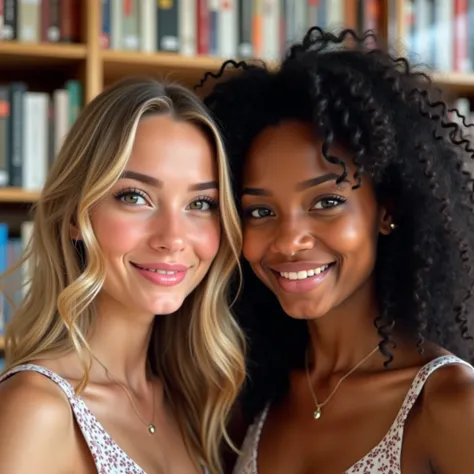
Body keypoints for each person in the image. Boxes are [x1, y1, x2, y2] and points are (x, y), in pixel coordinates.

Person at [199, 28, 474, 473]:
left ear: (387, 209)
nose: (290, 240)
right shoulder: (249, 400)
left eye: (326, 203)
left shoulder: (450, 404)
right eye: (260, 211)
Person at [0, 77, 246, 474]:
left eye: (200, 203)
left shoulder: (192, 401)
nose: (173, 238)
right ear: (74, 217)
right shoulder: (37, 409)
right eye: (134, 197)